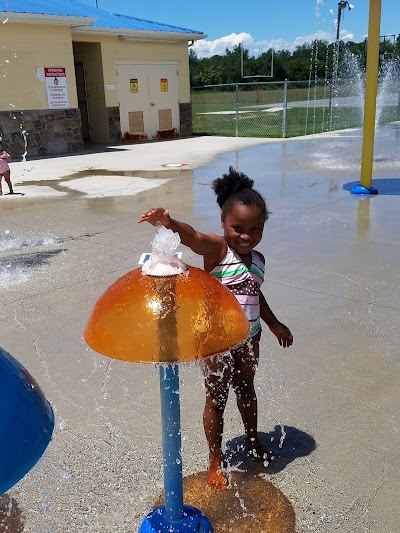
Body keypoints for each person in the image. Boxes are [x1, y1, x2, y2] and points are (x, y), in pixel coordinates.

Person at [138, 166, 293, 491]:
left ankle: (252, 440)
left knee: (247, 390)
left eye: (255, 229)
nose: (246, 235)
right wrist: (170, 223)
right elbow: (194, 237)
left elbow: (253, 292)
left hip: (250, 338)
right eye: (237, 228)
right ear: (224, 225)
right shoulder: (219, 250)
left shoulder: (259, 259)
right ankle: (214, 459)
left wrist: (274, 322)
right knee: (217, 397)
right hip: (216, 341)